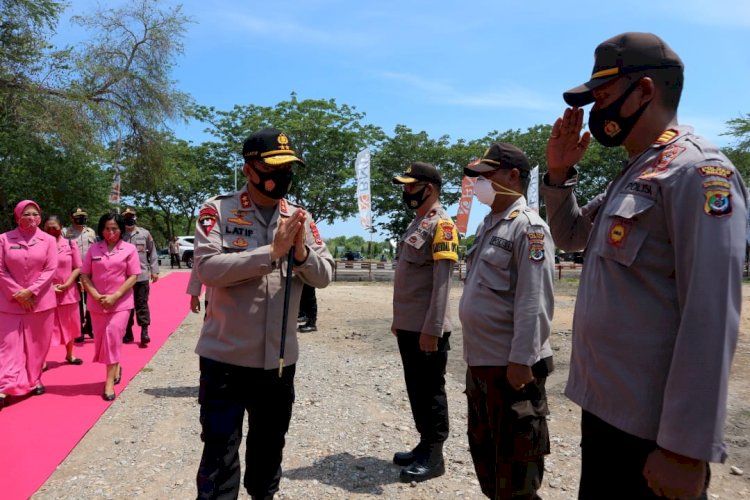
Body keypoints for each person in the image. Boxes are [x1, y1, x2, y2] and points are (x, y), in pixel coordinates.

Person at [541, 32, 747, 499]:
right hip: (607, 411)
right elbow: (570, 236)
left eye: (604, 96)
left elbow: (710, 316)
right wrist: (557, 176)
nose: (595, 111)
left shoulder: (696, 172)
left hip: (653, 429)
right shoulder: (638, 172)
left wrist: (684, 449)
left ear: (646, 91)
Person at [193, 127, 334, 500]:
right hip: (225, 358)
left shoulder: (299, 217)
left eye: (288, 167)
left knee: (268, 453)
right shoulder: (218, 210)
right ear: (249, 169)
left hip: (278, 362)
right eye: (273, 166)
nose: (282, 175)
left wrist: (301, 254)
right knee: (220, 455)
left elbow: (326, 275)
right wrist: (270, 252)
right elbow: (207, 268)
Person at [458, 144, 555, 499]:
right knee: (488, 462)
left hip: (510, 369)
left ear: (513, 176)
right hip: (482, 365)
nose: (480, 182)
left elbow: (535, 299)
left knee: (517, 474)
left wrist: (522, 360)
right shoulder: (489, 225)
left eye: (487, 174)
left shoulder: (529, 228)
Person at [390, 162, 459, 483]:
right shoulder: (419, 223)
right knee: (416, 388)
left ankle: (435, 455)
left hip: (427, 329)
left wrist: (433, 328)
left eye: (409, 186)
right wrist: (399, 320)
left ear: (427, 189)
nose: (405, 192)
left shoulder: (442, 225)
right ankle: (423, 442)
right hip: (410, 325)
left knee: (430, 389)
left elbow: (442, 282)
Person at [0, 200, 58, 409]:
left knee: (37, 347)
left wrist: (30, 291)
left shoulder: (49, 240)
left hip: (40, 302)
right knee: (8, 347)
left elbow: (50, 269)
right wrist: (18, 293)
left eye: (35, 214)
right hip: (9, 303)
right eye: (26, 214)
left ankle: (34, 380)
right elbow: (0, 270)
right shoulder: (3, 240)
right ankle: (5, 387)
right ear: (17, 217)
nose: (31, 218)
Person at [80, 213, 140, 401]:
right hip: (97, 303)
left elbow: (133, 276)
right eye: (107, 228)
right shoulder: (93, 249)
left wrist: (115, 296)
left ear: (121, 229)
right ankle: (116, 367)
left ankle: (108, 382)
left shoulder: (129, 249)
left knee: (112, 336)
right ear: (101, 229)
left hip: (120, 303)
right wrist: (96, 295)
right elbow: (84, 275)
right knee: (102, 340)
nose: (111, 232)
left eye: (114, 228)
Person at [43, 215, 84, 366]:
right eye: (48, 227)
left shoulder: (70, 244)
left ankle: (70, 354)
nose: (51, 230)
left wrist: (67, 284)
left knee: (70, 324)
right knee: (45, 327)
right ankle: (43, 360)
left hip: (68, 291)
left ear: (61, 227)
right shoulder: (40, 245)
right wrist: (48, 287)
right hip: (46, 292)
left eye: (54, 226)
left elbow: (78, 267)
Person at [120, 207, 159, 347]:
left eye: (131, 216)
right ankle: (128, 331)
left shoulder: (144, 233)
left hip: (141, 275)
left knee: (141, 304)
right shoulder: (120, 234)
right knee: (126, 306)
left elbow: (153, 252)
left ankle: (144, 331)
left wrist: (155, 271)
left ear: (135, 217)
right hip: (124, 278)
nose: (129, 219)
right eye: (126, 217)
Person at [64, 207, 97, 343]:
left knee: (91, 300)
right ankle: (78, 330)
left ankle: (89, 326)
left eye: (83, 216)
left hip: (91, 271)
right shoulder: (66, 232)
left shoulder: (91, 232)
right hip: (74, 271)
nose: (80, 219)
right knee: (77, 301)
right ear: (72, 218)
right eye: (77, 216)